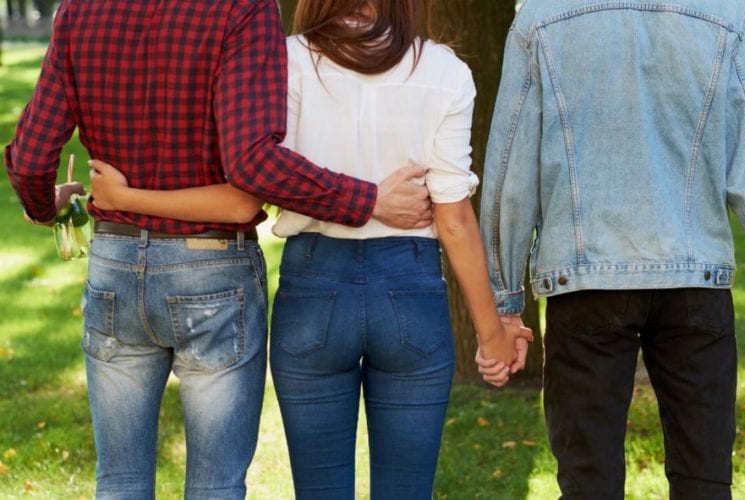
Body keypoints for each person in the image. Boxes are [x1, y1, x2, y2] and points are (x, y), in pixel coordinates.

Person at [87, 0, 533, 498]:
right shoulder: (444, 70)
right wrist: (492, 333)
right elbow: (454, 218)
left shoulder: (284, 60)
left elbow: (260, 173)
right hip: (410, 291)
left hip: (314, 291)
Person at [4, 0, 435, 498]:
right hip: (211, 272)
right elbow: (251, 162)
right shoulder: (241, 9)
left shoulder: (79, 11)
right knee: (216, 487)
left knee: (118, 482)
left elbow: (32, 157)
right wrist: (370, 198)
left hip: (115, 267)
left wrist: (42, 208)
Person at [476, 0, 745, 498]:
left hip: (585, 282)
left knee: (587, 482)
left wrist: (506, 305)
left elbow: (510, 173)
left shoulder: (540, 18)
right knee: (704, 480)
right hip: (695, 284)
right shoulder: (732, 18)